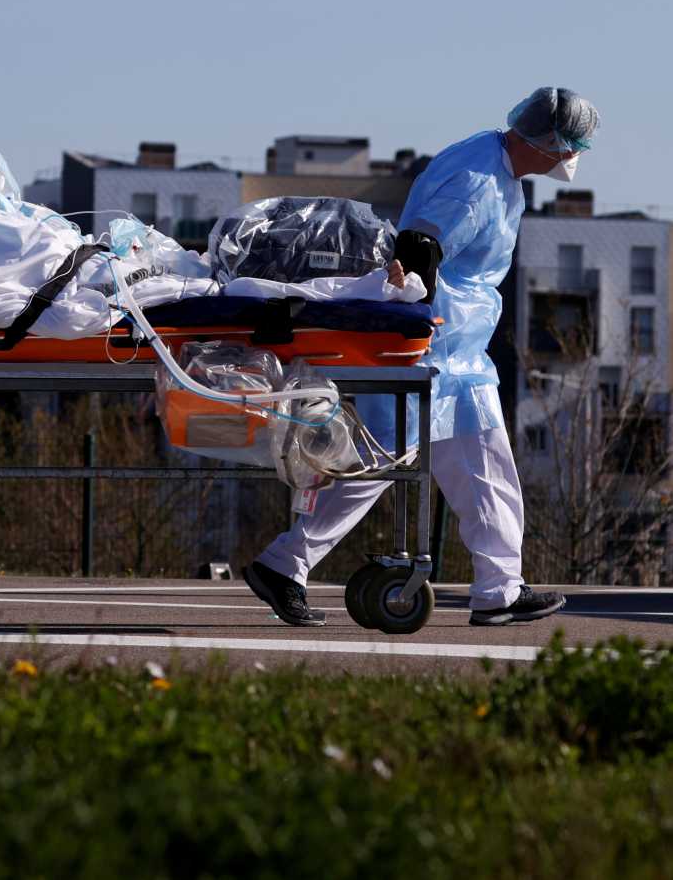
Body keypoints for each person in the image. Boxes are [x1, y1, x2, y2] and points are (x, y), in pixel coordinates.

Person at [244, 87, 600, 628]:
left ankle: (500, 588)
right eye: (568, 151)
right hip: (431, 348)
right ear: (550, 144)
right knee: (382, 464)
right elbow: (419, 245)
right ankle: (285, 562)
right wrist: (416, 301)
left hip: (460, 354)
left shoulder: (491, 163)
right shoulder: (477, 182)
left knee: (482, 467)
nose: (566, 163)